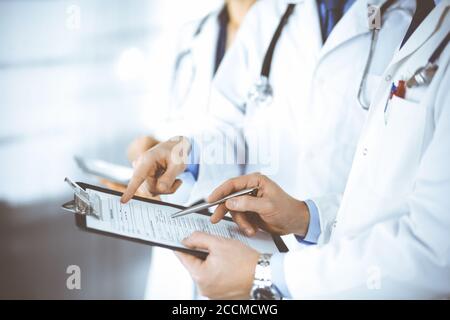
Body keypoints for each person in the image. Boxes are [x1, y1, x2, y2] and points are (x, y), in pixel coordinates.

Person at [175, 0, 450, 299]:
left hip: (323, 277)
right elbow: (377, 201)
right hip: (291, 255)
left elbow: (434, 254)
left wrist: (266, 275)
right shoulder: (273, 13)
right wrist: (306, 217)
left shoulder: (407, 18)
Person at [120, 0, 415, 252]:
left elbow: (408, 188)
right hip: (258, 255)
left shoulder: (414, 19)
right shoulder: (272, 12)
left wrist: (310, 217)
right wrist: (187, 152)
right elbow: (230, 125)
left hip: (354, 259)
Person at [103, 0, 257, 204]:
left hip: (257, 215)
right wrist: (150, 156)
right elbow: (176, 125)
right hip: (190, 205)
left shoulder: (288, 35)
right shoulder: (190, 36)